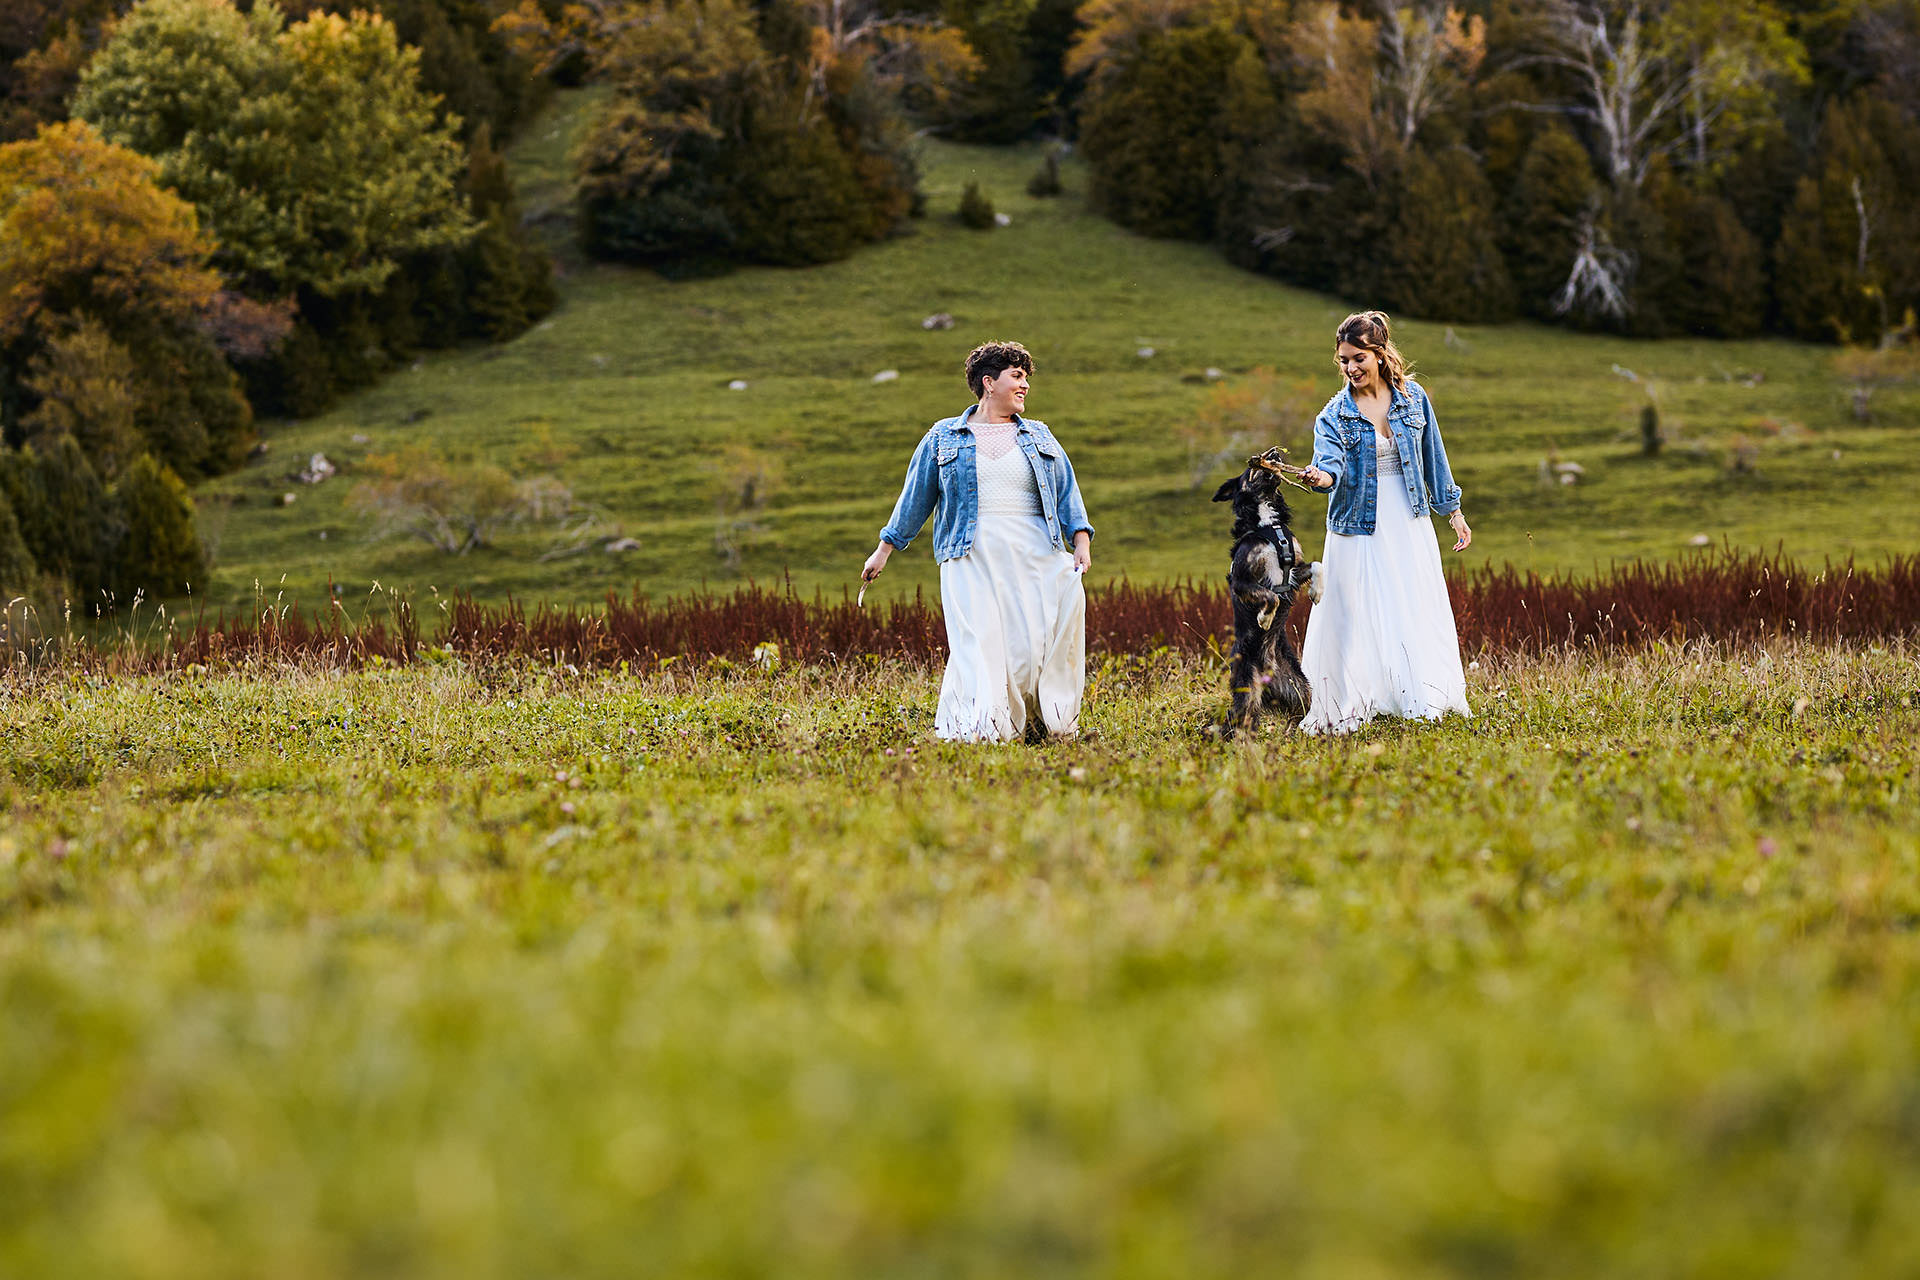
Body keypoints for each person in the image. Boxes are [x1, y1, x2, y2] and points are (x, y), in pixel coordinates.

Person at [861, 341, 1094, 742]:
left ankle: (1039, 723)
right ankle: (987, 727)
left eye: (1026, 378)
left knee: (1029, 647)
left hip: (1034, 553)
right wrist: (885, 549)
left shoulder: (1039, 435)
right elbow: (915, 499)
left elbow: (1067, 492)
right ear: (989, 382)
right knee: (981, 643)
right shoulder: (943, 437)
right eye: (1016, 376)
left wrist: (1081, 541)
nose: (1025, 385)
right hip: (970, 555)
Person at [1296, 311, 1473, 735]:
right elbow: (1330, 466)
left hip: (1408, 519)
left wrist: (1453, 511)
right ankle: (1353, 697)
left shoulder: (1413, 398)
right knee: (1355, 612)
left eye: (1358, 358)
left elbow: (1434, 456)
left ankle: (1416, 693)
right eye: (1343, 360)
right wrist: (1319, 477)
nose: (1350, 368)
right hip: (1357, 526)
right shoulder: (1333, 415)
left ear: (1378, 353)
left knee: (1409, 602)